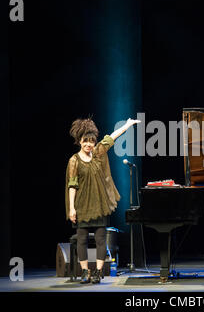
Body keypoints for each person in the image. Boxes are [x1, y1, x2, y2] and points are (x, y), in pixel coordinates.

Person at [65, 116, 140, 284]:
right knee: (82, 239)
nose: (89, 145)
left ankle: (98, 272)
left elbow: (112, 137)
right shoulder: (74, 161)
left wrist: (127, 125)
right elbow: (72, 186)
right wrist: (72, 208)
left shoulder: (98, 152)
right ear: (79, 141)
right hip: (82, 205)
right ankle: (85, 272)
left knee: (100, 239)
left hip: (99, 204)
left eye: (91, 141)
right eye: (85, 141)